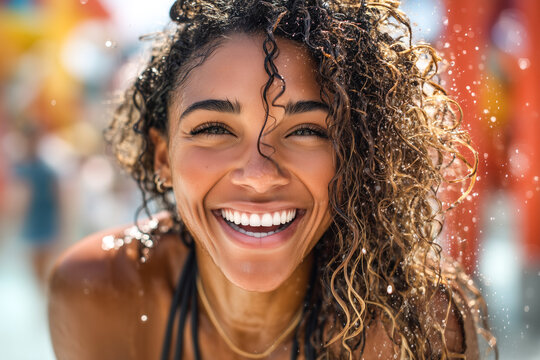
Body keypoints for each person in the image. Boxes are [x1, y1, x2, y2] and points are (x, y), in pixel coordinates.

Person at [48, 0, 497, 359]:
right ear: (163, 156)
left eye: (306, 131)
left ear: (355, 157)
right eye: (214, 129)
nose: (259, 175)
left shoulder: (415, 327)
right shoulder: (99, 293)